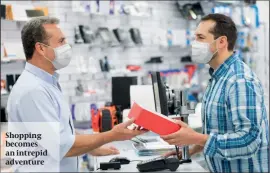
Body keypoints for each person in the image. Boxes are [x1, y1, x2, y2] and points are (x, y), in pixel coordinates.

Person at [7, 16, 146, 172]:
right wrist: (112, 135)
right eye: (61, 41)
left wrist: (91, 146)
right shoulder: (33, 90)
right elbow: (60, 146)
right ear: (40, 48)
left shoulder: (47, 83)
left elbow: (61, 132)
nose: (67, 46)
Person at [162, 13, 269, 172]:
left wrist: (195, 137)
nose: (194, 43)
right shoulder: (218, 76)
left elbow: (249, 141)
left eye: (200, 37)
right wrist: (192, 148)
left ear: (221, 42)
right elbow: (220, 132)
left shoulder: (240, 80)